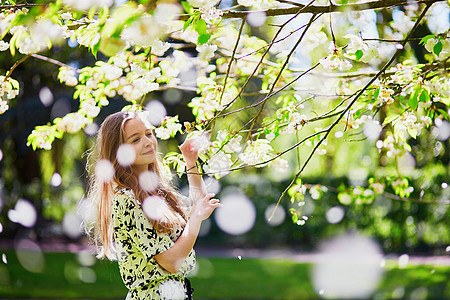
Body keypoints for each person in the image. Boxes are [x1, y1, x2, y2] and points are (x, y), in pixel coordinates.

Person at [85, 110, 221, 299]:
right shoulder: (127, 200)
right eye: (135, 140)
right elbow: (171, 262)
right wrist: (196, 218)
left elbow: (200, 206)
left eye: (149, 134)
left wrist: (191, 162)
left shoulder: (156, 191)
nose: (148, 142)